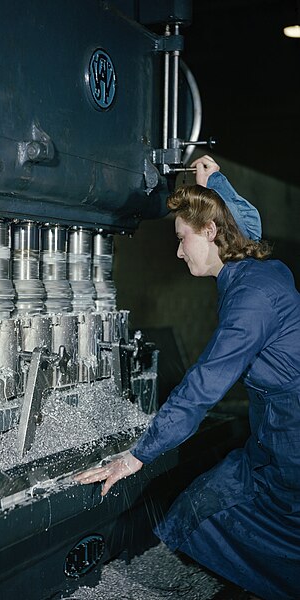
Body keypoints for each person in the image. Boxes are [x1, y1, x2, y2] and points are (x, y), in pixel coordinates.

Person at [75, 155, 300, 600]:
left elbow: (203, 386)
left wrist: (137, 455)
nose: (178, 251)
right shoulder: (255, 264)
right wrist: (214, 180)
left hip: (291, 444)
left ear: (212, 232)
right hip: (272, 438)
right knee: (203, 502)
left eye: (183, 238)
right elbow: (247, 220)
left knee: (236, 524)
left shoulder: (251, 299)